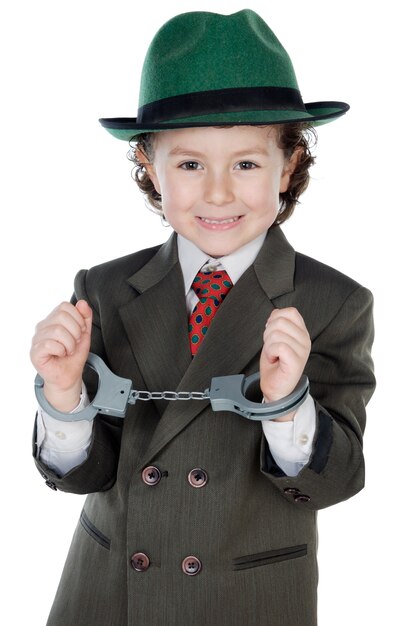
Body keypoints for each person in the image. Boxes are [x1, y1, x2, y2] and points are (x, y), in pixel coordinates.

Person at [30, 9, 375, 626]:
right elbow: (88, 474)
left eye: (245, 164)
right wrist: (63, 397)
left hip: (246, 601)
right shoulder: (105, 288)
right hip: (109, 598)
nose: (217, 194)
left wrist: (288, 403)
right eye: (190, 165)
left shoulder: (333, 302)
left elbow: (338, 480)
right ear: (150, 168)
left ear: (288, 166)